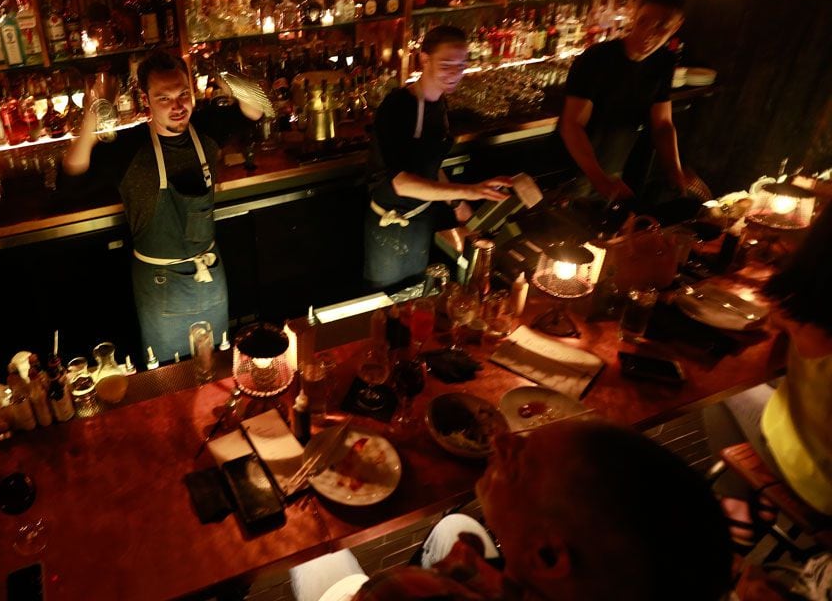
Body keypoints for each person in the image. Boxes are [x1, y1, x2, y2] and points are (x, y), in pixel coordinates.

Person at [291, 421, 733, 601]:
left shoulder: (400, 593)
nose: (500, 440)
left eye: (523, 461)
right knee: (457, 524)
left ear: (549, 556)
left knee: (318, 559)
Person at [61, 51, 263, 360]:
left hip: (209, 273)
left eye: (183, 94)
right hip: (159, 285)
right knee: (170, 374)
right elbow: (71, 177)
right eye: (164, 98)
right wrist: (95, 110)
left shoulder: (207, 128)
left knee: (217, 365)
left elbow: (256, 108)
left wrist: (222, 70)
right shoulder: (129, 148)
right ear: (146, 100)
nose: (177, 106)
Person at [705, 205, 832, 543]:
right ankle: (749, 500)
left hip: (818, 483)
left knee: (719, 393)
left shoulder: (804, 311)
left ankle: (738, 507)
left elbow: (776, 318)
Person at [364, 26, 511, 289]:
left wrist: (457, 203)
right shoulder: (397, 106)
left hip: (422, 217)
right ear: (424, 59)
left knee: (419, 292)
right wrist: (469, 191)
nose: (455, 74)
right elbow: (401, 182)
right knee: (390, 300)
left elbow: (429, 165)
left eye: (461, 66)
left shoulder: (439, 104)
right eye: (446, 65)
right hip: (391, 223)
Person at [558, 0, 706, 202]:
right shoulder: (597, 58)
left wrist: (675, 169)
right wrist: (598, 179)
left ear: (676, 26)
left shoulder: (663, 61)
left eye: (661, 26)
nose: (648, 33)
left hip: (615, 167)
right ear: (634, 16)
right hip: (576, 170)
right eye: (643, 21)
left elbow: (663, 124)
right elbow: (572, 124)